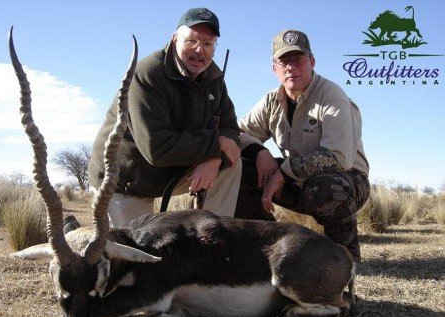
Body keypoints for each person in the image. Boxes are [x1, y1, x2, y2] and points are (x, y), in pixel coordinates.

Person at [88, 8, 242, 228]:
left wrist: (214, 158)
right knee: (132, 256)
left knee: (234, 157)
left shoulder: (214, 78)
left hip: (169, 172)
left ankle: (213, 240)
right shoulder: (148, 74)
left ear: (215, 47)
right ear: (174, 39)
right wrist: (215, 144)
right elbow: (156, 148)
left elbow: (230, 129)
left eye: (207, 44)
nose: (199, 50)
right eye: (191, 41)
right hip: (125, 182)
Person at [236, 29, 370, 262]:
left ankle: (345, 259)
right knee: (240, 169)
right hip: (297, 181)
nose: (291, 66)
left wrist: (284, 172)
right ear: (274, 67)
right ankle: (265, 250)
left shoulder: (332, 96)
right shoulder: (270, 101)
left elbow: (338, 159)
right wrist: (260, 152)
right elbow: (238, 133)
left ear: (312, 61)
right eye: (283, 60)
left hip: (347, 179)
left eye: (297, 59)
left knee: (328, 189)